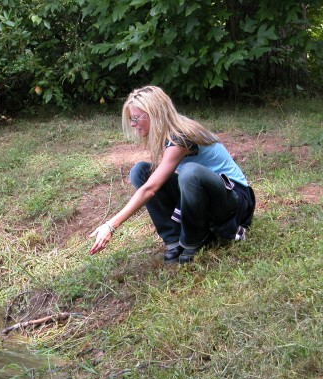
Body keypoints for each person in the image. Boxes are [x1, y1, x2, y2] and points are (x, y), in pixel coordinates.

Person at [89, 85, 256, 264]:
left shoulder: (180, 136)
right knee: (141, 171)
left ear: (154, 114)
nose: (132, 124)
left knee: (189, 172)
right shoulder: (164, 133)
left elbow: (151, 189)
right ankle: (174, 239)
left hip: (235, 200)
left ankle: (194, 239)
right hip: (211, 193)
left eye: (136, 118)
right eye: (131, 118)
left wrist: (110, 225)